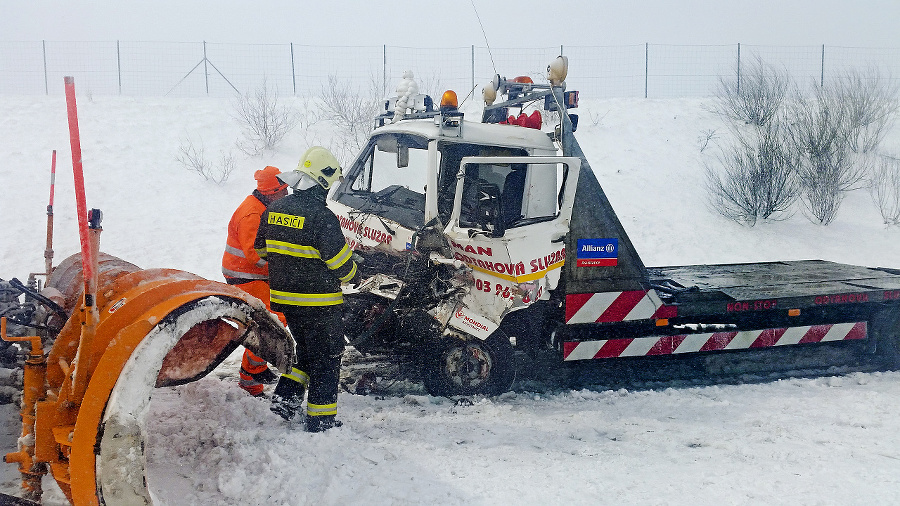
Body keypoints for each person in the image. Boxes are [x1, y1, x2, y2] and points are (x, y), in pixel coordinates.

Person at [255, 146, 359, 432]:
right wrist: (356, 270)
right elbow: (343, 268)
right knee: (328, 354)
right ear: (323, 182)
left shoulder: (274, 210)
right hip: (320, 303)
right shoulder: (322, 218)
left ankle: (285, 400)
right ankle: (321, 418)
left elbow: (262, 251)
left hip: (285, 301)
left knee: (308, 350)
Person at [222, 165, 289, 397]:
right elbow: (256, 256)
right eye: (283, 190)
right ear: (272, 192)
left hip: (253, 275)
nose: (286, 194)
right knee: (273, 321)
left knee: (271, 320)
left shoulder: (262, 206)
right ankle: (251, 374)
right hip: (244, 276)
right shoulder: (253, 214)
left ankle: (254, 372)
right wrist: (285, 267)